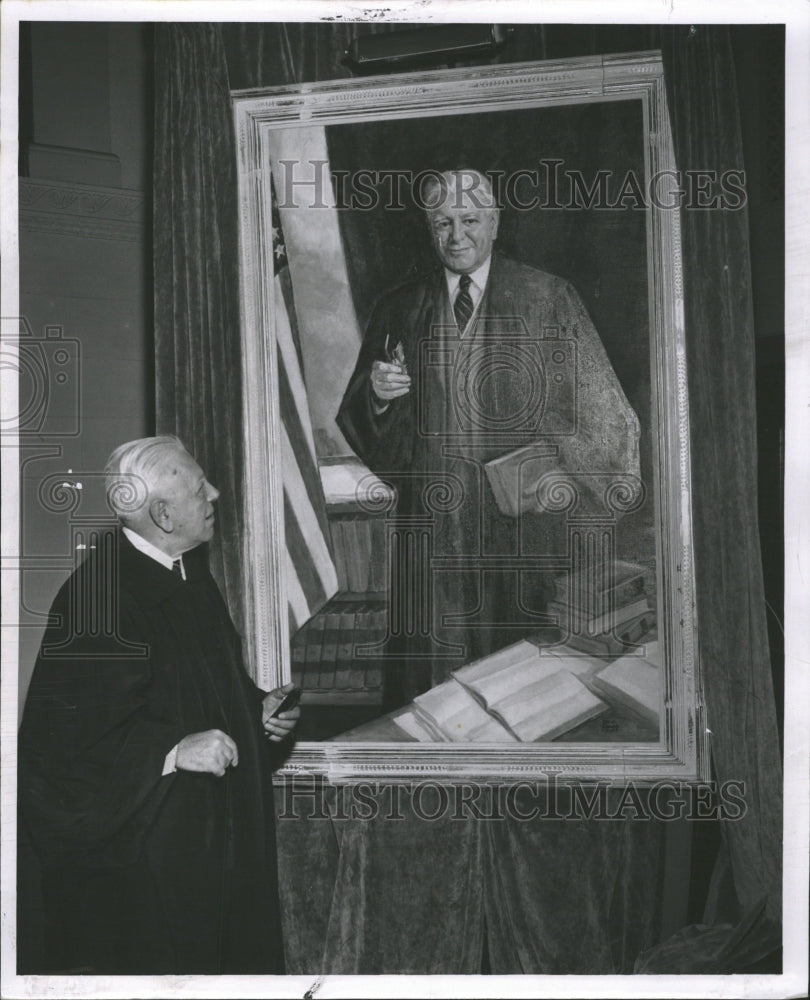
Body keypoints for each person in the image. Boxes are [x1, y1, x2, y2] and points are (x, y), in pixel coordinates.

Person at [337, 168, 641, 706]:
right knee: (432, 693)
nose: (457, 235)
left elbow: (606, 417)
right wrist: (379, 394)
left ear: (495, 222)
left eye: (470, 219)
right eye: (442, 222)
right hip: (432, 532)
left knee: (523, 688)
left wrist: (558, 477)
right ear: (429, 229)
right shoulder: (399, 308)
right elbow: (363, 419)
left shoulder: (548, 298)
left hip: (521, 530)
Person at [18, 436, 299, 974]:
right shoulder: (95, 602)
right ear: (164, 514)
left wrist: (256, 710)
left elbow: (205, 689)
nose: (214, 493)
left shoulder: (188, 576)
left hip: (208, 846)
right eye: (200, 488)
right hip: (148, 867)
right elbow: (61, 757)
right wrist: (170, 751)